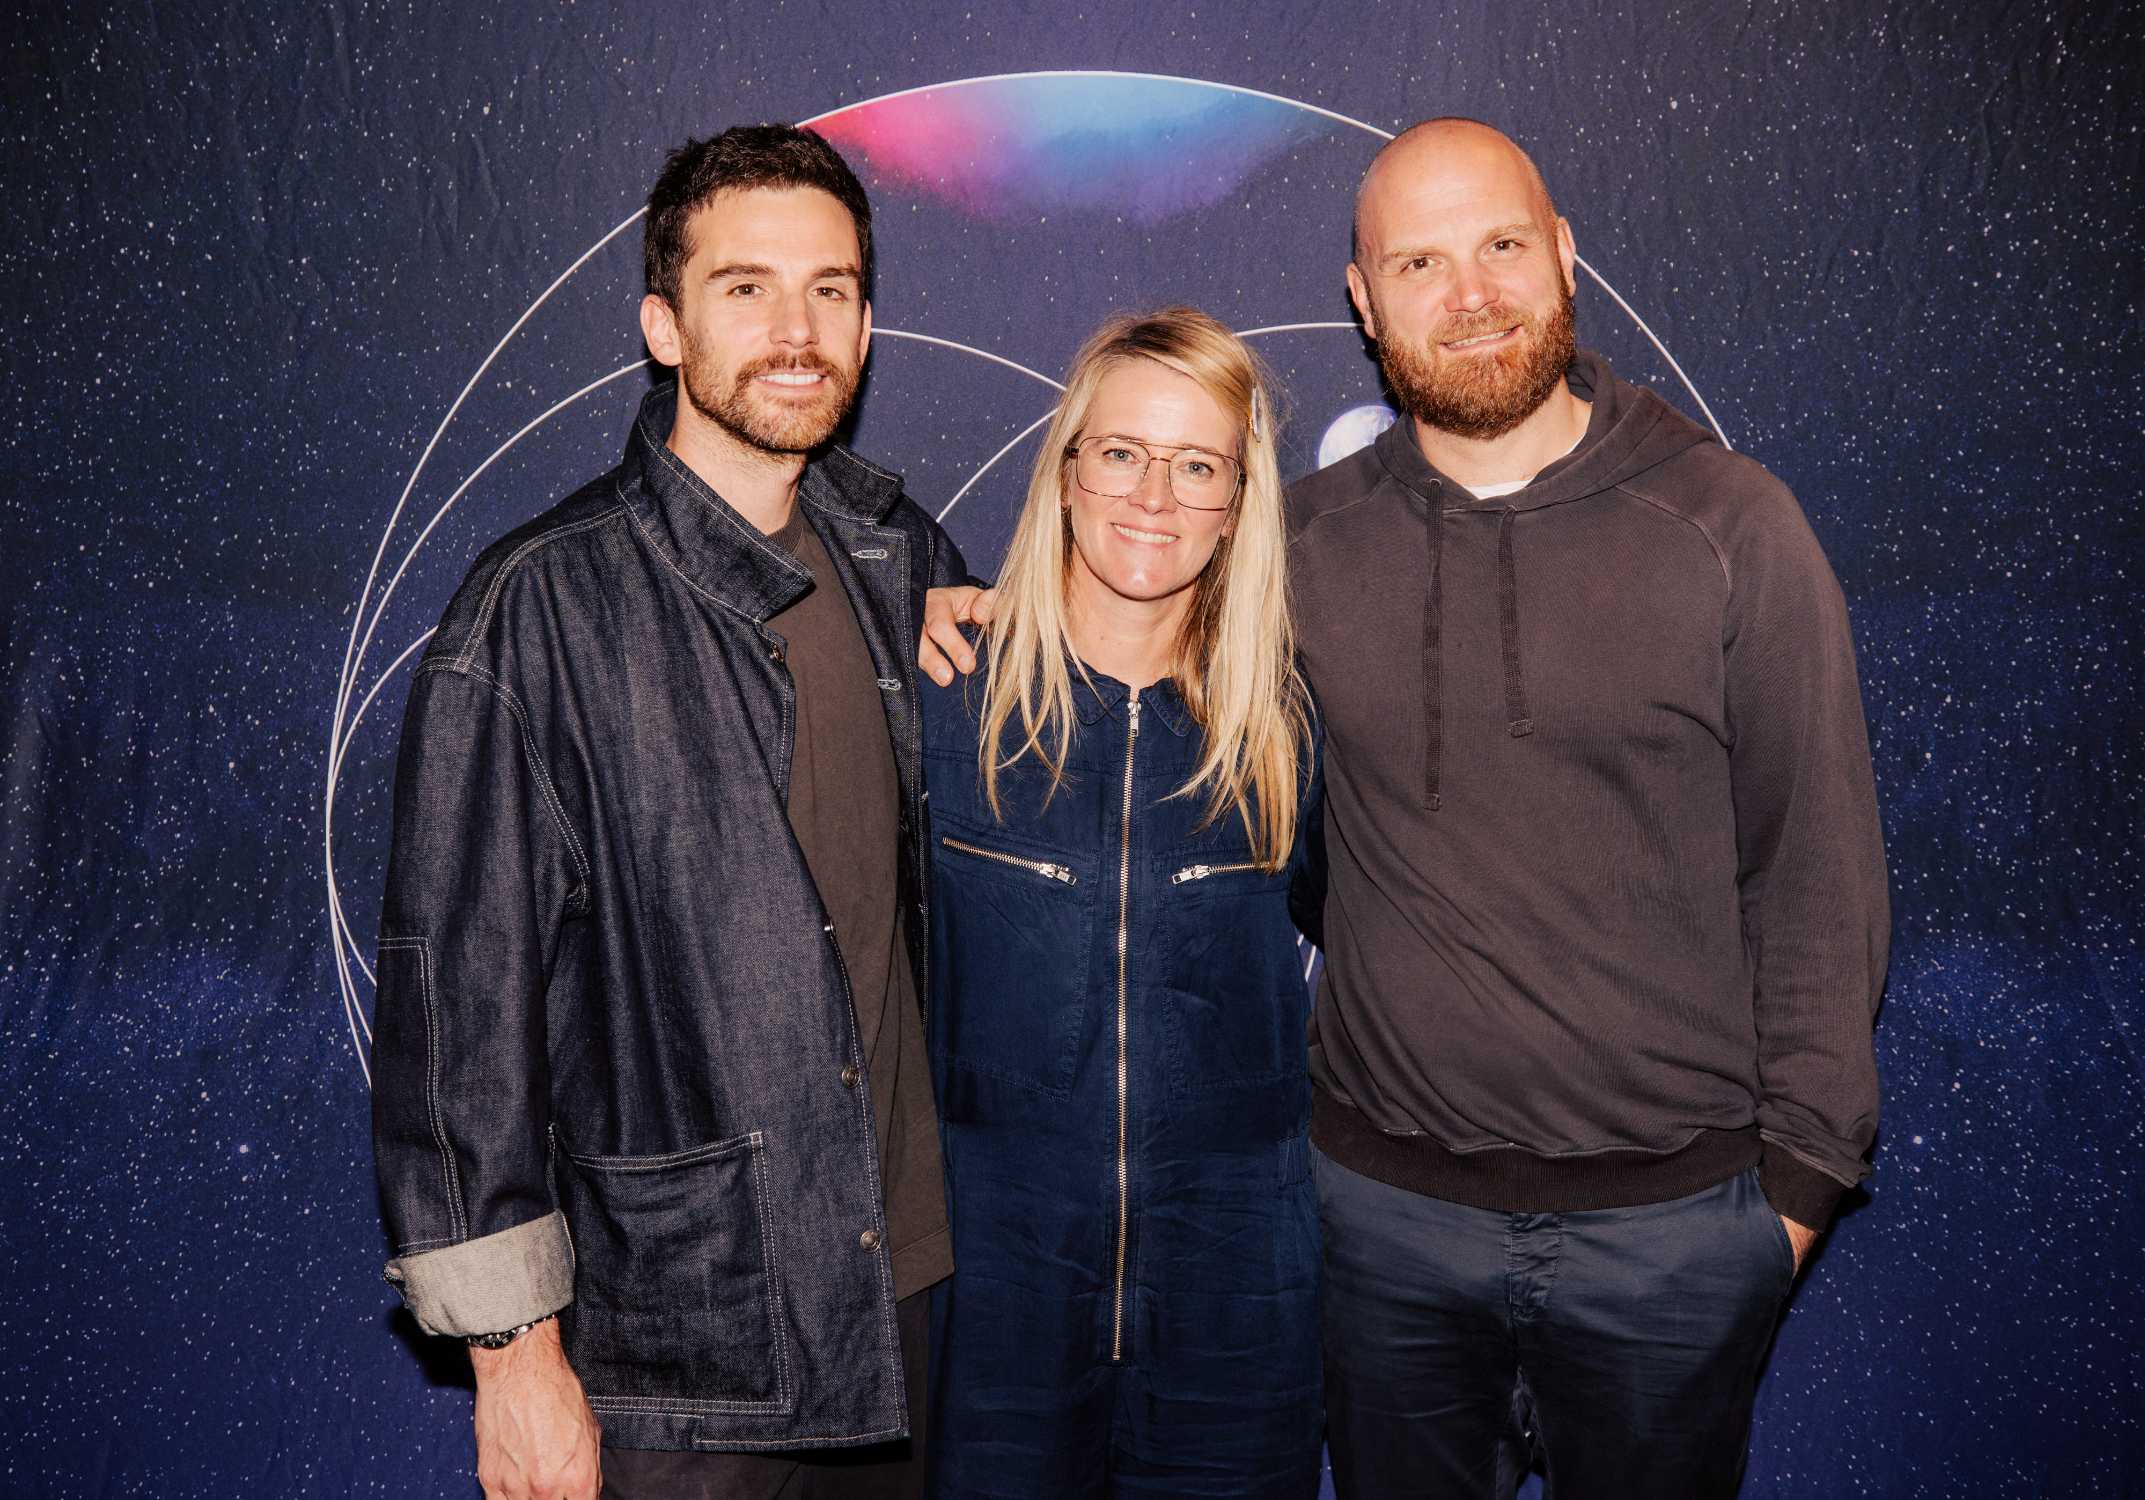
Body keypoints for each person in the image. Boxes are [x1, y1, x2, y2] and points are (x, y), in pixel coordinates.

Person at [921, 119, 1890, 1499]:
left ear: (1563, 257)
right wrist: (959, 604)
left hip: (1667, 1235)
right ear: (1365, 302)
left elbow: (1819, 876)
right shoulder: (1298, 551)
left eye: (1501, 246)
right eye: (1420, 261)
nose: (1471, 291)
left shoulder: (1732, 526)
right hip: (1381, 1239)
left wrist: (1789, 1204)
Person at [372, 124, 967, 1500]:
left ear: (868, 325)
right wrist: (514, 1362)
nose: (796, 328)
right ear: (662, 323)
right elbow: (457, 1014)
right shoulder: (539, 605)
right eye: (745, 288)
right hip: (691, 1356)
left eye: (830, 290)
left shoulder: (902, 559)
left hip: (920, 1300)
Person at [920, 309, 1324, 1498]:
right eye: (1122, 453)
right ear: (1066, 471)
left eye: (1198, 465)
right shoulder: (947, 706)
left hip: (1236, 1323)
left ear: (1238, 504)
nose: (1154, 494)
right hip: (992, 1317)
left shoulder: (1289, 733)